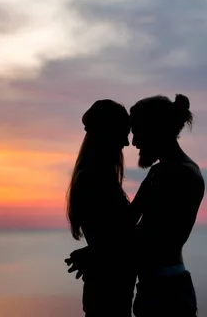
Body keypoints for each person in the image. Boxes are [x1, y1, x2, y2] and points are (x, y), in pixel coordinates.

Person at [67, 94, 205, 317]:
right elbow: (130, 223)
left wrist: (96, 251)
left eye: (138, 131)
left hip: (167, 293)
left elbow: (151, 235)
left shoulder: (179, 174)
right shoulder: (159, 173)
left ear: (155, 129)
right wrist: (97, 250)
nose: (133, 143)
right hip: (153, 289)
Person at [65, 99, 143, 317]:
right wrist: (147, 191)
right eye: (123, 133)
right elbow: (120, 234)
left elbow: (113, 234)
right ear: (108, 132)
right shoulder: (93, 179)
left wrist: (93, 251)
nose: (127, 143)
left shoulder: (98, 177)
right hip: (107, 291)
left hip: (109, 287)